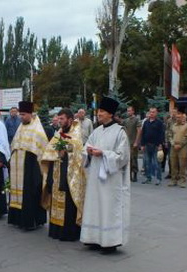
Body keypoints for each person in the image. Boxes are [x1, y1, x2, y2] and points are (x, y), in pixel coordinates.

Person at [80, 96, 130, 254]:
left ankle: (110, 242)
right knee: (95, 206)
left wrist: (103, 153)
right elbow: (86, 146)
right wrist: (87, 151)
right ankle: (94, 238)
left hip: (111, 179)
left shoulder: (120, 132)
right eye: (99, 111)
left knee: (108, 208)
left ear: (110, 114)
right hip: (95, 176)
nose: (99, 114)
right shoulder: (97, 131)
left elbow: (123, 157)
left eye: (102, 111)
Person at [41, 108, 86, 241]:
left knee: (68, 205)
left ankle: (68, 233)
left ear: (70, 120)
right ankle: (56, 231)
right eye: (58, 119)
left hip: (69, 177)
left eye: (62, 119)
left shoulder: (76, 134)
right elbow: (50, 150)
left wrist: (65, 152)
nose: (59, 121)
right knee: (56, 202)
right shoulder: (58, 133)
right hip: (56, 175)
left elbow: (77, 154)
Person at [8, 101, 48, 231]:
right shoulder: (21, 127)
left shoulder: (37, 129)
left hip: (31, 167)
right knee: (19, 193)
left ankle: (31, 221)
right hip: (19, 165)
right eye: (20, 114)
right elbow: (15, 144)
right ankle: (18, 219)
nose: (21, 117)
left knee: (30, 193)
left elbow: (41, 148)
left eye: (23, 114)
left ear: (30, 114)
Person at [137, 107, 165, 185]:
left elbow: (161, 134)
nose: (151, 113)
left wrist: (160, 144)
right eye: (150, 112)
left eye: (153, 112)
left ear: (156, 113)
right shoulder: (146, 122)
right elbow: (143, 134)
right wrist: (142, 144)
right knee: (146, 162)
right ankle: (148, 178)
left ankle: (158, 179)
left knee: (156, 163)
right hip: (146, 145)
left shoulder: (159, 123)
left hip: (156, 145)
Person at [167, 109, 187, 188]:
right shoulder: (173, 126)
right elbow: (169, 135)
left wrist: (180, 144)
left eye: (179, 117)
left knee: (182, 165)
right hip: (173, 147)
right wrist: (173, 144)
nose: (178, 119)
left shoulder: (186, 126)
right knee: (173, 164)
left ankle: (182, 181)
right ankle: (173, 180)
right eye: (177, 117)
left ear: (182, 118)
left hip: (182, 148)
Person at [122, 106, 141, 182]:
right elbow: (123, 129)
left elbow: (139, 130)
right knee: (127, 159)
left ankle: (135, 174)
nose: (128, 112)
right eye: (127, 111)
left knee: (134, 159)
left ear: (133, 111)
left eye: (130, 111)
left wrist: (136, 141)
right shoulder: (126, 120)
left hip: (133, 143)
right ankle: (128, 175)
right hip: (127, 143)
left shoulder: (136, 120)